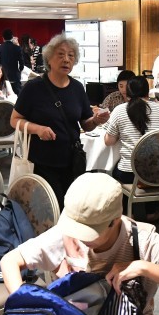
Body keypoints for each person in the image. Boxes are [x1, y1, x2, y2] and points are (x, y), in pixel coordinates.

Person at [0, 172, 159, 315]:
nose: (80, 237)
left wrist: (144, 267)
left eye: (89, 232)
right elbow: (10, 261)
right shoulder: (67, 233)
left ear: (116, 220)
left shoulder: (144, 241)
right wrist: (28, 304)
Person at [11, 34, 109, 203]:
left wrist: (95, 120)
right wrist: (38, 129)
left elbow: (85, 124)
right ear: (49, 58)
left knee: (72, 205)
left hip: (72, 161)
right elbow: (14, 119)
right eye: (61, 54)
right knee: (51, 207)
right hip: (42, 162)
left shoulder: (77, 88)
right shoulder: (34, 88)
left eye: (71, 55)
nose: (66, 60)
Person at [103, 75, 159, 194]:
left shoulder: (119, 110)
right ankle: (156, 206)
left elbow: (108, 141)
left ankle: (127, 205)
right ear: (147, 92)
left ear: (128, 92)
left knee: (113, 170)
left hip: (129, 173)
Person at [0, 29, 25, 95]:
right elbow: (22, 63)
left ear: (3, 38)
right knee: (18, 94)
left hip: (3, 76)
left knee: (4, 95)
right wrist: (19, 71)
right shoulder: (17, 48)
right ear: (12, 37)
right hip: (15, 76)